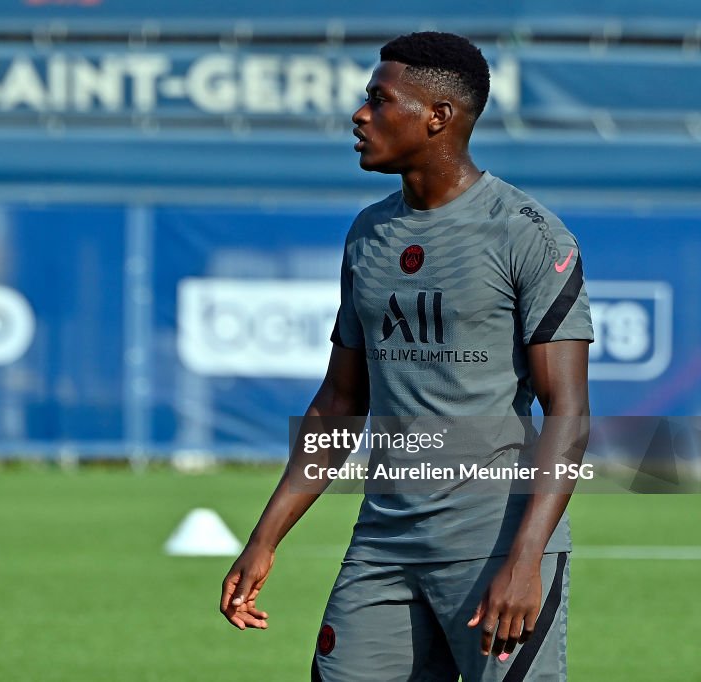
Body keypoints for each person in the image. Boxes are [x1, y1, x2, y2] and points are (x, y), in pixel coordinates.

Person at [219, 32, 593, 682]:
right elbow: (339, 403)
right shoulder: (368, 233)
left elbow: (569, 410)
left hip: (494, 543)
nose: (360, 116)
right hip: (384, 540)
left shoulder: (530, 235)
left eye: (379, 100)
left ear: (438, 117)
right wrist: (264, 538)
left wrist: (526, 558)